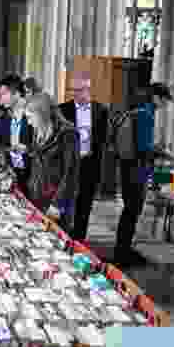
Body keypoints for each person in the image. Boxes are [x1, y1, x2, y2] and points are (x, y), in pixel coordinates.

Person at [111, 81, 174, 268]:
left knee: (129, 210)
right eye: (164, 100)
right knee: (132, 210)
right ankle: (122, 254)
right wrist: (162, 152)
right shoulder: (146, 115)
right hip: (136, 170)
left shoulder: (138, 112)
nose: (165, 104)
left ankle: (122, 250)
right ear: (156, 97)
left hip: (128, 167)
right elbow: (143, 148)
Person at [59, 74, 109, 241]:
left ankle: (79, 239)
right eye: (73, 91)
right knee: (66, 200)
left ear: (88, 89)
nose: (75, 94)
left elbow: (104, 140)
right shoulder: (62, 110)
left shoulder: (101, 110)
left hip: (90, 164)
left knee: (85, 203)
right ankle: (63, 236)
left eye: (79, 90)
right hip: (68, 164)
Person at [24, 91, 80, 232]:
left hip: (55, 201)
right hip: (37, 196)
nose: (29, 122)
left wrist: (57, 204)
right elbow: (41, 157)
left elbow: (71, 173)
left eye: (30, 117)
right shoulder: (40, 130)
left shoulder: (68, 133)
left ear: (41, 114)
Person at [0, 74, 33, 193]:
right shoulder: (6, 118)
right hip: (14, 176)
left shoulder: (35, 116)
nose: (0, 100)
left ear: (16, 93)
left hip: (34, 180)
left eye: (3, 94)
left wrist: (28, 150)